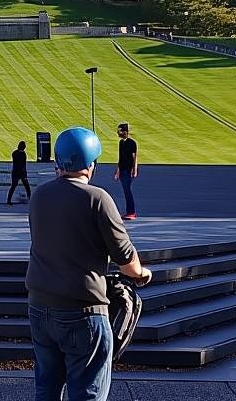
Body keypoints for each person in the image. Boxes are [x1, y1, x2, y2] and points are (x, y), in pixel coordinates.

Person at [27, 127, 151, 400]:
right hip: (82, 311)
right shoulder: (97, 199)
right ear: (91, 165)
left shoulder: (39, 196)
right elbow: (127, 262)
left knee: (46, 389)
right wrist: (143, 274)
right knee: (88, 393)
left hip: (39, 307)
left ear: (58, 162)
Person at [113, 123, 139, 220]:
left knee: (127, 191)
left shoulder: (132, 143)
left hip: (128, 170)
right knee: (126, 191)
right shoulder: (121, 143)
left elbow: (134, 157)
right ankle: (129, 212)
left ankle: (131, 212)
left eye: (119, 130)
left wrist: (134, 169)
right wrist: (118, 171)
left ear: (125, 132)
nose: (118, 132)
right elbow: (121, 158)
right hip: (123, 169)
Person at [8, 141, 32, 205]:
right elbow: (23, 165)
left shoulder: (14, 153)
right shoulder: (23, 154)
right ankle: (30, 199)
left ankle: (8, 200)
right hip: (21, 172)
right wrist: (25, 174)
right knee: (27, 186)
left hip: (15, 171)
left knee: (13, 186)